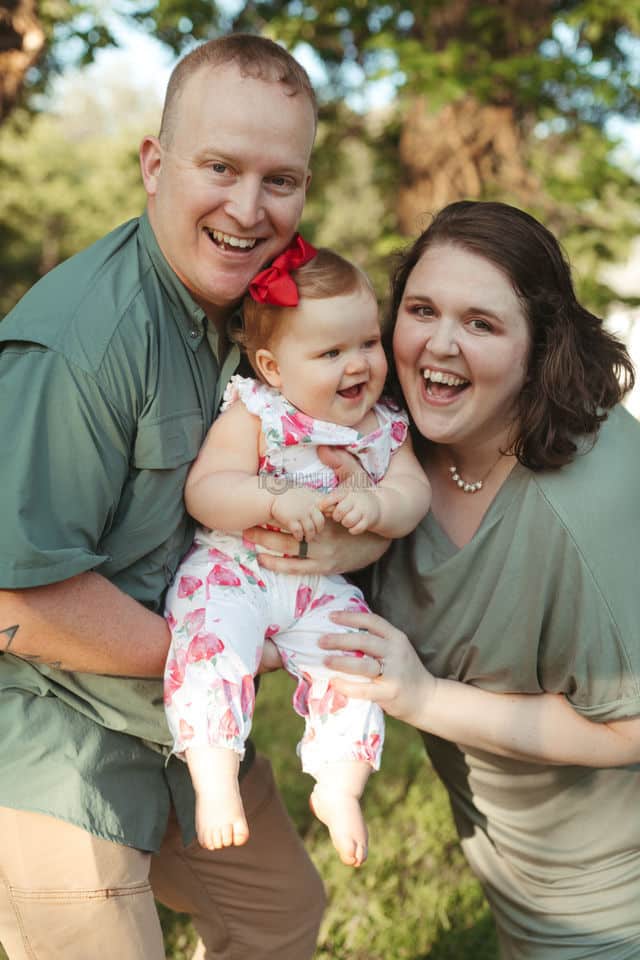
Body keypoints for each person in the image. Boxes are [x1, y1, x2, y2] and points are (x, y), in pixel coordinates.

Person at [0, 34, 388, 960]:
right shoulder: (79, 346)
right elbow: (11, 601)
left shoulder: (267, 318)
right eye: (219, 167)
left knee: (281, 918)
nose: (248, 209)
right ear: (154, 163)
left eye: (280, 180)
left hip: (185, 725)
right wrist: (223, 655)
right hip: (53, 730)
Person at [309, 200, 640, 959]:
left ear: (542, 347)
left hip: (616, 902)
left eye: (482, 324)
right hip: (514, 872)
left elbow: (632, 728)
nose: (439, 345)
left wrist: (422, 697)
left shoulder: (593, 503)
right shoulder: (390, 445)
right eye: (421, 310)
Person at [163, 242, 431, 868]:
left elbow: (412, 492)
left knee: (355, 660)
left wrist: (381, 507)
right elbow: (206, 490)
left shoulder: (383, 426)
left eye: (367, 343)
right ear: (273, 367)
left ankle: (340, 786)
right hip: (235, 568)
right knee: (210, 649)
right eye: (331, 352)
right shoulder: (259, 410)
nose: (358, 364)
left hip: (321, 587)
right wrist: (272, 497)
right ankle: (214, 775)